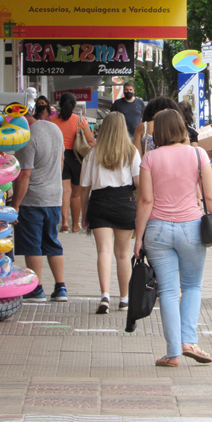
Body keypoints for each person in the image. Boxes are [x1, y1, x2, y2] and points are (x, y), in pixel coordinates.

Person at [134, 109, 212, 367]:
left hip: (158, 231)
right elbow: (210, 197)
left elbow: (145, 200)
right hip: (191, 229)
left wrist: (138, 237)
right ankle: (189, 340)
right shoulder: (198, 155)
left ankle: (173, 352)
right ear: (182, 128)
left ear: (158, 132)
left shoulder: (149, 158)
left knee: (168, 291)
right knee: (193, 286)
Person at [80, 112, 141, 314]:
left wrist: (83, 213)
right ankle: (124, 299)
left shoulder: (93, 153)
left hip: (99, 202)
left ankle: (105, 295)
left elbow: (84, 187)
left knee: (104, 251)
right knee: (123, 254)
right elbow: (139, 183)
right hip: (124, 202)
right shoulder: (132, 152)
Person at [12, 112, 67, 303]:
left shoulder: (27, 138)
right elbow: (61, 161)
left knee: (32, 244)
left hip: (32, 200)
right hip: (54, 197)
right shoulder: (54, 128)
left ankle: (36, 289)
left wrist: (15, 204)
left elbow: (24, 174)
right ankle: (61, 288)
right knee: (52, 243)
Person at [51, 92, 95, 233]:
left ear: (59, 105)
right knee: (75, 194)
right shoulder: (80, 121)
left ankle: (64, 222)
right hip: (76, 157)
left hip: (59, 156)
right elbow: (91, 141)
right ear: (74, 105)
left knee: (65, 191)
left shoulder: (52, 121)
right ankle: (75, 225)